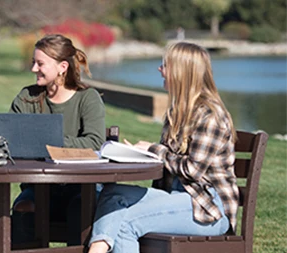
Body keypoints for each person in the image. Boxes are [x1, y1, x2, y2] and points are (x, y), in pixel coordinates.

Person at [88, 42, 239, 253]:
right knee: (113, 193)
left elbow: (192, 169)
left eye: (165, 65)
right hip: (176, 198)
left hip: (207, 208)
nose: (160, 70)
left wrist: (154, 150)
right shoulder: (176, 112)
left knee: (125, 223)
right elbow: (167, 159)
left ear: (182, 72)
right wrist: (138, 155)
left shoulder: (210, 115)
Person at [10, 34, 106, 245]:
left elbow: (95, 142)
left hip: (82, 188)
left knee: (79, 209)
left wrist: (47, 141)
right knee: (23, 207)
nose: (34, 68)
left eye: (40, 63)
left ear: (62, 67)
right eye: (33, 62)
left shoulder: (87, 98)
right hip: (37, 186)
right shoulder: (27, 98)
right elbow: (13, 140)